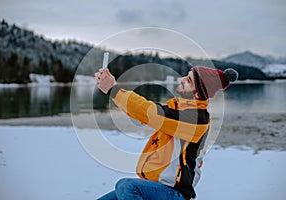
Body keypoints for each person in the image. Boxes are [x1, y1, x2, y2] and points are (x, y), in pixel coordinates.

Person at [94, 65, 238, 200]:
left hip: (174, 193)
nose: (182, 79)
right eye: (186, 76)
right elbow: (142, 113)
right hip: (152, 187)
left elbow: (149, 112)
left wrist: (114, 90)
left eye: (188, 80)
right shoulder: (178, 108)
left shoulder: (196, 119)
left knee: (127, 186)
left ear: (198, 93)